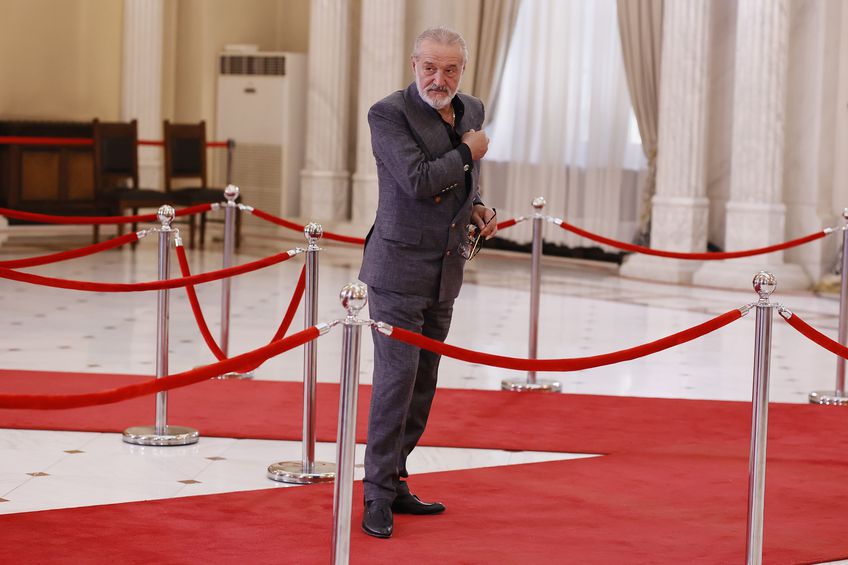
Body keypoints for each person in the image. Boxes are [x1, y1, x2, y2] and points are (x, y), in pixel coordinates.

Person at [358, 26, 497, 539]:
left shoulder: (471, 109)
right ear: (413, 63)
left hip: (445, 268)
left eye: (451, 69)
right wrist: (468, 152)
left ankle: (395, 481)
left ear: (463, 69)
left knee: (422, 385)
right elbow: (417, 180)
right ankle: (374, 495)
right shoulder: (387, 114)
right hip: (396, 270)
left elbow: (462, 181)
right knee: (395, 384)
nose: (440, 79)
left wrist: (478, 206)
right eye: (430, 67)